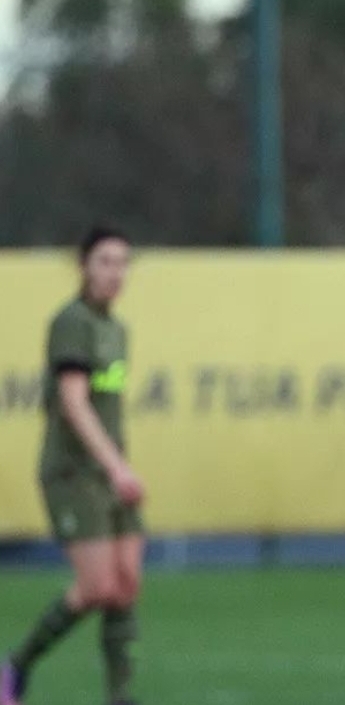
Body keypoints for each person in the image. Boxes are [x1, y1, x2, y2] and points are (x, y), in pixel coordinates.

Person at [2, 226, 145, 705]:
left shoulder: (116, 329)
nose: (116, 272)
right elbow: (74, 403)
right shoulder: (72, 322)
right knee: (97, 586)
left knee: (126, 584)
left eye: (122, 263)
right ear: (84, 266)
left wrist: (118, 467)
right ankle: (17, 665)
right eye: (105, 261)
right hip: (74, 472)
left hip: (110, 470)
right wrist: (116, 467)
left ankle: (120, 697)